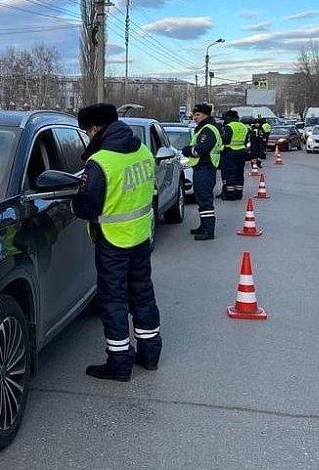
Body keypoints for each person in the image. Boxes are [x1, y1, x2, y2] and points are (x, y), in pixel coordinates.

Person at [71, 103, 162, 382]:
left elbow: (87, 208)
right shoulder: (144, 151)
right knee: (142, 294)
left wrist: (75, 201)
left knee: (113, 301)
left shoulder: (101, 162)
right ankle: (149, 354)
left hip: (113, 242)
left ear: (96, 128)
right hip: (140, 236)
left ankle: (119, 362)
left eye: (87, 130)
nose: (88, 136)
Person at [182, 103, 224, 240]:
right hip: (202, 168)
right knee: (201, 199)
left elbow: (202, 149)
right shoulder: (204, 128)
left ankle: (208, 230)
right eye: (194, 115)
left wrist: (188, 150)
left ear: (206, 115)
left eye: (198, 115)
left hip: (205, 168)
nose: (195, 117)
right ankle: (203, 226)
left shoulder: (207, 129)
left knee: (205, 200)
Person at [219, 110, 249, 201]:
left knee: (230, 173)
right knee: (239, 173)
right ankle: (239, 193)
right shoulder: (244, 126)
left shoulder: (229, 126)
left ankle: (230, 194)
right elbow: (246, 140)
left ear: (228, 117)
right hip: (242, 152)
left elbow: (225, 140)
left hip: (230, 152)